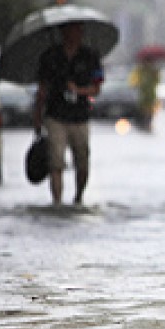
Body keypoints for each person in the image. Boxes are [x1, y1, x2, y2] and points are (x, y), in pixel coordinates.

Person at [33, 21, 105, 206]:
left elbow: (96, 89)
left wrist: (79, 90)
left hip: (80, 115)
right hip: (55, 115)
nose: (74, 33)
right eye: (70, 30)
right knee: (55, 161)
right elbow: (42, 89)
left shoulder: (90, 56)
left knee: (82, 161)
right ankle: (57, 200)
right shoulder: (50, 57)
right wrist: (37, 117)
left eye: (78, 30)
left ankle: (78, 196)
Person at [129, 55, 161, 131]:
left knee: (149, 110)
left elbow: (157, 81)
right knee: (143, 110)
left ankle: (148, 124)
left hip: (150, 94)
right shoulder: (139, 71)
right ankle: (143, 123)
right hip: (142, 94)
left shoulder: (153, 71)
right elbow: (133, 81)